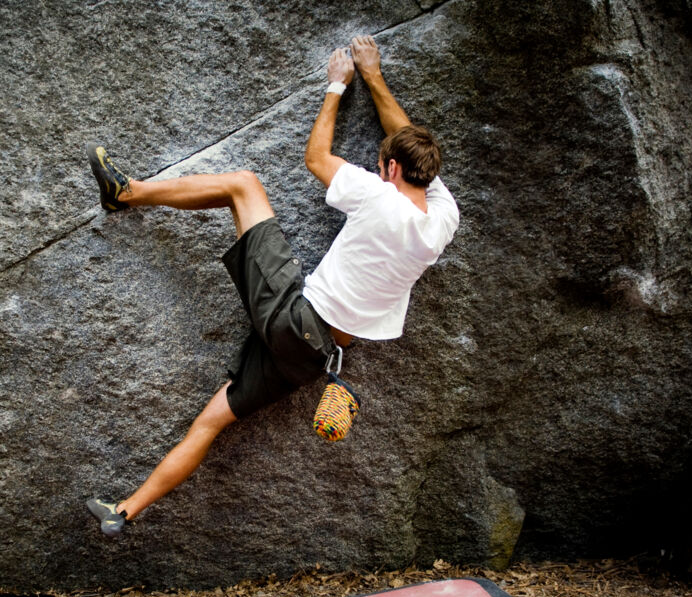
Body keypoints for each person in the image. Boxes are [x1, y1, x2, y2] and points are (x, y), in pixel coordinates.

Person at [86, 35, 460, 537]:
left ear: (388, 169)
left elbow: (317, 157)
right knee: (212, 422)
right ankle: (124, 511)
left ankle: (125, 194)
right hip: (310, 360)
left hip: (292, 317)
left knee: (244, 184)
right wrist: (375, 77)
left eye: (381, 165)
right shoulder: (443, 221)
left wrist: (338, 84)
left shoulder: (377, 194)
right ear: (426, 175)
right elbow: (414, 150)